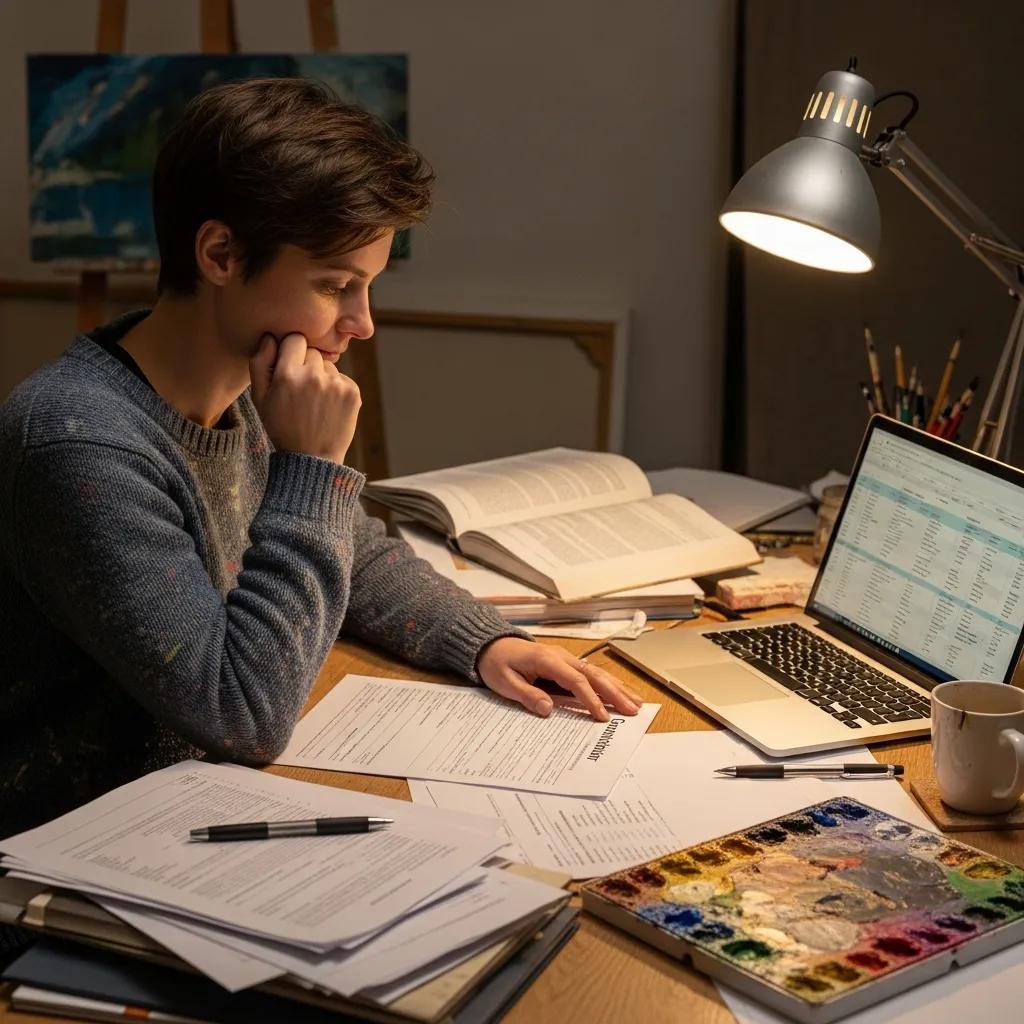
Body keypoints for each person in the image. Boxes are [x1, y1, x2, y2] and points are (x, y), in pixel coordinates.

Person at [0, 77, 642, 858]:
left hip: (188, 813)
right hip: (76, 862)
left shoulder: (238, 391)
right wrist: (310, 466)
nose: (362, 324)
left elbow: (354, 551)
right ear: (221, 254)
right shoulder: (80, 443)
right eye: (337, 285)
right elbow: (243, 714)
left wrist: (482, 643)